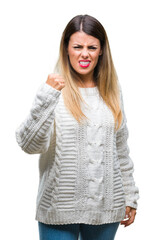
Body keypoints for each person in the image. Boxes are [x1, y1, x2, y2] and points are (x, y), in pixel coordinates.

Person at [15, 14, 139, 240]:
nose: (84, 53)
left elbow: (121, 149)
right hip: (58, 210)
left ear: (101, 50)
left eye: (92, 47)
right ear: (66, 49)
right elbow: (29, 144)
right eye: (77, 46)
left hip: (106, 209)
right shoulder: (53, 91)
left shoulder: (112, 91)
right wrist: (47, 96)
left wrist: (130, 195)